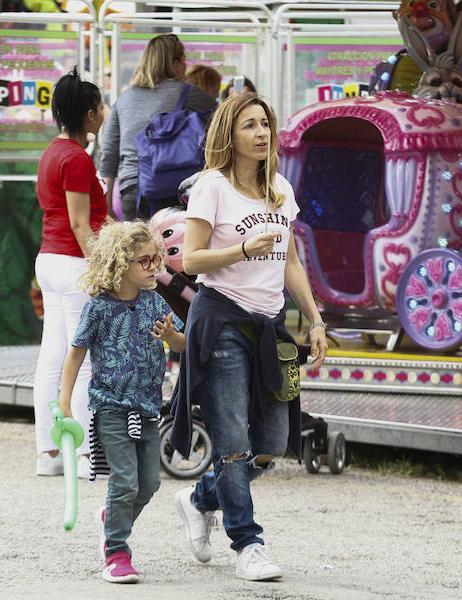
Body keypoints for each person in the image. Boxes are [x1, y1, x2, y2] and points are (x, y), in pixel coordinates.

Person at [169, 93, 329, 581]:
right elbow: (190, 260)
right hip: (222, 322)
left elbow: (292, 262)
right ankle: (248, 544)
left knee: (273, 441)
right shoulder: (211, 187)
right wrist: (240, 249)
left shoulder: (280, 188)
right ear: (229, 135)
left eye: (266, 124)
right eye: (250, 126)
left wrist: (316, 319)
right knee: (233, 439)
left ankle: (199, 499)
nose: (262, 133)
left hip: (270, 328)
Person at [58, 220, 186, 583]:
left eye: (155, 261)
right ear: (119, 264)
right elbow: (75, 356)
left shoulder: (154, 302)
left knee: (149, 485)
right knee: (125, 482)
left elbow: (182, 344)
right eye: (143, 262)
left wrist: (174, 337)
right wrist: (65, 403)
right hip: (112, 407)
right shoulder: (98, 308)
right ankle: (116, 552)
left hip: (147, 408)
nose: (152, 269)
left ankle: (110, 518)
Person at [33, 68, 110, 477]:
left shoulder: (53, 153)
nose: (104, 111)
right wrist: (101, 269)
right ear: (88, 115)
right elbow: (82, 224)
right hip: (74, 264)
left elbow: (90, 217)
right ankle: (83, 457)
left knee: (54, 357)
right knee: (82, 360)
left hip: (51, 261)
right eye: (100, 106)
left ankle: (49, 453)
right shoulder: (76, 159)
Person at [100, 34, 216, 221]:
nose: (186, 67)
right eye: (184, 61)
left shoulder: (124, 99)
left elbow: (109, 153)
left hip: (131, 191)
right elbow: (226, 122)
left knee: (138, 248)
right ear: (175, 63)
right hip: (172, 188)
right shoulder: (190, 94)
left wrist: (106, 205)